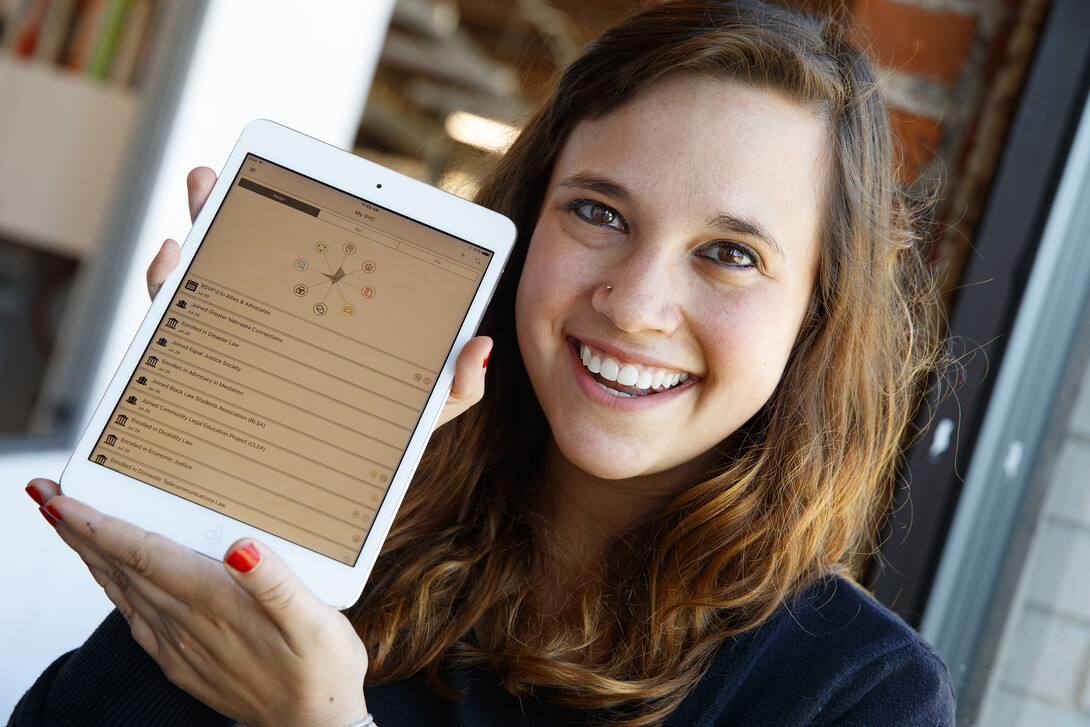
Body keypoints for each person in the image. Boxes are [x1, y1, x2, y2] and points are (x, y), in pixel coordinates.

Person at [13, 1, 955, 725]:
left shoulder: (856, 691)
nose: (634, 304)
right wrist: (230, 458)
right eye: (598, 213)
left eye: (731, 253)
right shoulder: (352, 528)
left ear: (819, 311)